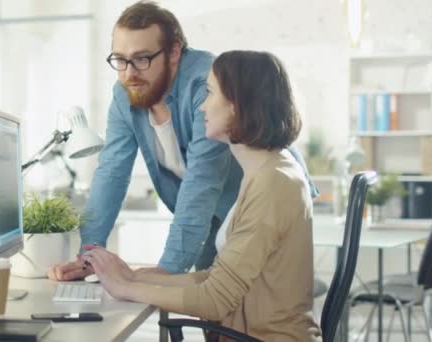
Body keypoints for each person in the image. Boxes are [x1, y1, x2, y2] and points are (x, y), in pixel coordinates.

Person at [49, 1, 316, 281]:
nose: (129, 74)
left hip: (254, 206)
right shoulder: (125, 93)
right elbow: (111, 171)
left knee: (250, 305)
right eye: (120, 59)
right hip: (207, 214)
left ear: (174, 51)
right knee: (214, 312)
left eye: (142, 58)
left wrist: (166, 271)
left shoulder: (207, 86)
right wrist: (88, 256)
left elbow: (203, 178)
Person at [82, 50, 322, 342]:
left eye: (211, 93)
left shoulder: (272, 183)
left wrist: (125, 289)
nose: (202, 107)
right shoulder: (264, 171)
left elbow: (215, 300)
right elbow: (217, 278)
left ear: (237, 105)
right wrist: (134, 276)